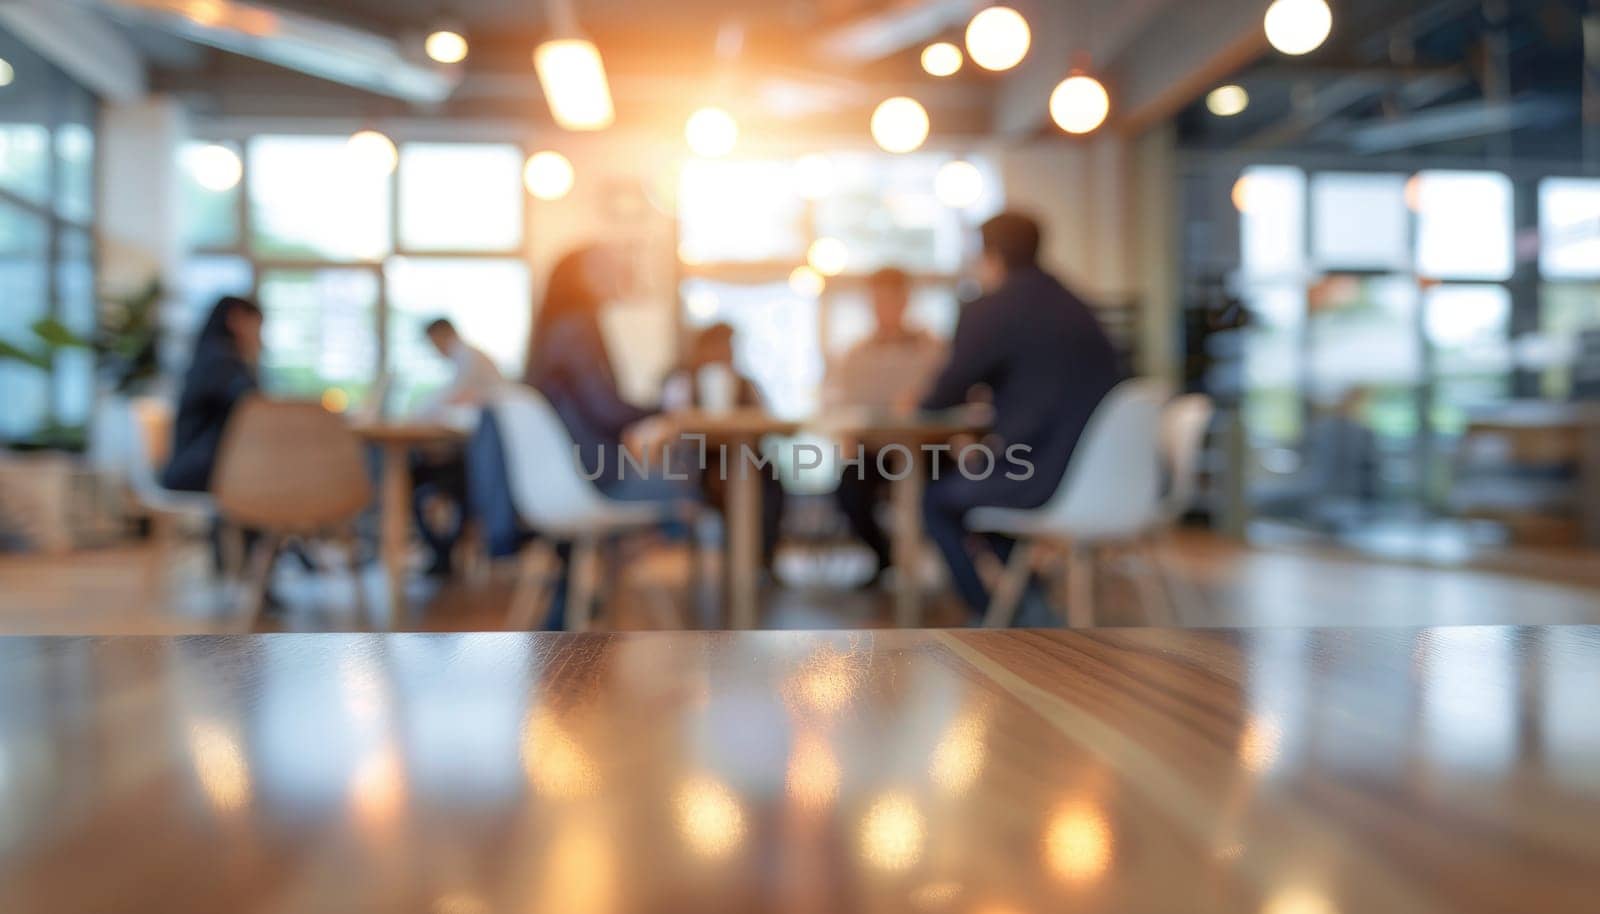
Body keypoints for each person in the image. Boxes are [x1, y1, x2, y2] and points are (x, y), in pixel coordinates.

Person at [918, 212, 1121, 618]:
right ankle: (1027, 600)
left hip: (1043, 473)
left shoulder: (994, 308)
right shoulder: (1077, 304)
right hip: (1105, 473)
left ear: (990, 255)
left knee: (938, 502)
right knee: (985, 489)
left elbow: (942, 396)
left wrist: (919, 403)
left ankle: (991, 612)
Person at [824, 268, 946, 583]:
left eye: (892, 299)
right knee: (848, 489)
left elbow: (948, 399)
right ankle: (885, 557)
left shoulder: (933, 348)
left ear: (906, 301)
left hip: (929, 449)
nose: (885, 307)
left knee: (944, 492)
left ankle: (939, 557)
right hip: (875, 451)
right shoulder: (856, 354)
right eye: (879, 300)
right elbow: (843, 406)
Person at [666, 323, 785, 568]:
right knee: (729, 483)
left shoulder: (745, 383)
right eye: (719, 346)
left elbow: (766, 422)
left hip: (747, 457)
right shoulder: (684, 382)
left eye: (729, 347)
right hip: (704, 462)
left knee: (769, 481)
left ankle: (762, 559)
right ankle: (743, 560)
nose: (725, 353)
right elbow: (673, 426)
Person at [411, 318, 505, 576]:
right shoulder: (467, 358)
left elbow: (450, 397)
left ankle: (442, 553)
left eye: (433, 343)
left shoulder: (469, 358)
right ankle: (441, 553)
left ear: (442, 336)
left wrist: (416, 413)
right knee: (422, 476)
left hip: (481, 458)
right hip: (476, 452)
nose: (434, 350)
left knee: (419, 478)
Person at [162, 296, 263, 493]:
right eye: (257, 326)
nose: (259, 337)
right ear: (237, 318)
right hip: (198, 472)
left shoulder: (210, 357)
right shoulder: (221, 361)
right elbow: (254, 405)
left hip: (192, 468)